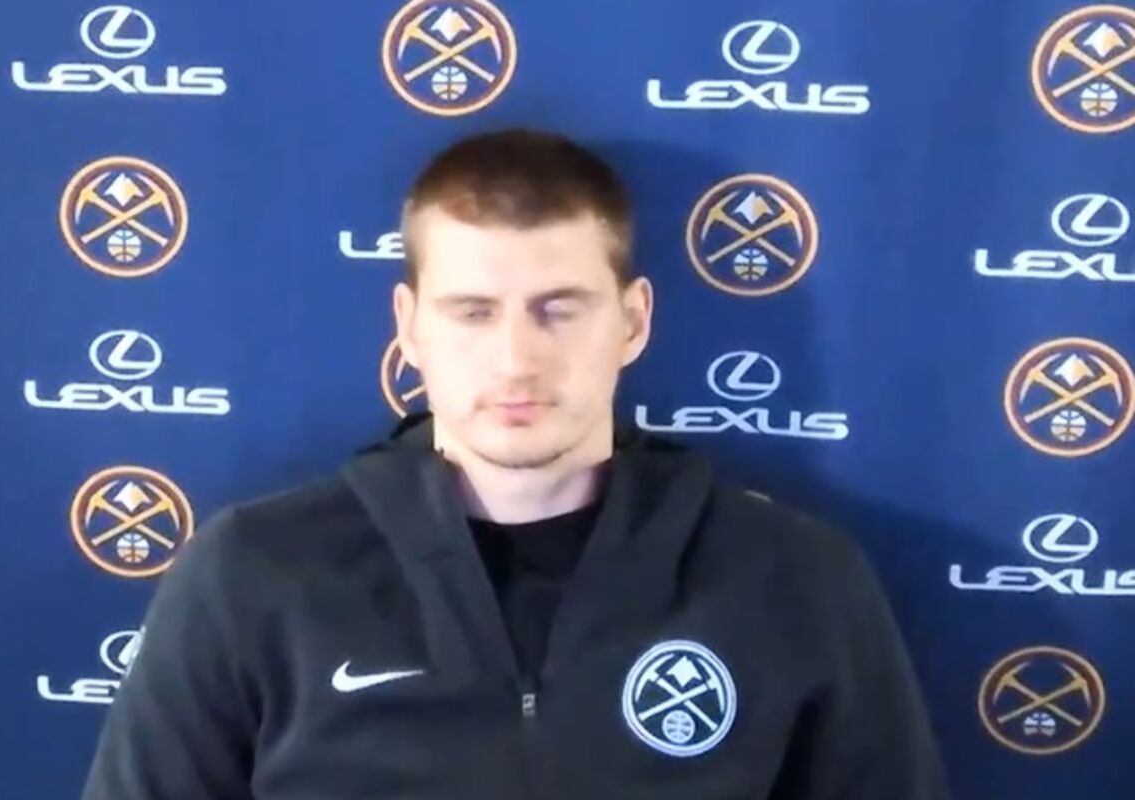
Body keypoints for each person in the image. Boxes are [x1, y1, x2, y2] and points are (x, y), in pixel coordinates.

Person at [82, 128, 949, 799]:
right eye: (472, 312)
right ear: (409, 326)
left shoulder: (794, 578)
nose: (515, 361)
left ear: (633, 322)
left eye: (559, 310)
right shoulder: (253, 575)